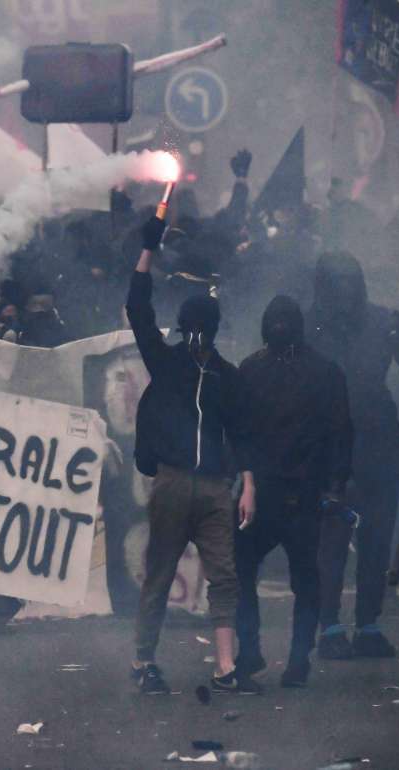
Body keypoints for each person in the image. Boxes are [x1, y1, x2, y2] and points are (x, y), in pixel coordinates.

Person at [125, 215, 255, 695]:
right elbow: (137, 308)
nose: (196, 339)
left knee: (224, 577)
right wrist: (148, 249)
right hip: (176, 482)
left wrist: (248, 485)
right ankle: (143, 661)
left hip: (217, 488)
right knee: (160, 573)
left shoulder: (226, 375)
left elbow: (242, 432)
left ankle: (225, 668)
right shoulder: (168, 363)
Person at [236, 295, 353, 689]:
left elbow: (239, 432)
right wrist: (335, 486)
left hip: (264, 492)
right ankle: (298, 659)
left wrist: (242, 480)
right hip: (302, 493)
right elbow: (342, 434)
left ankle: (251, 651)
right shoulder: (325, 371)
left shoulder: (252, 369)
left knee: (245, 570)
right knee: (305, 577)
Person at [309, 252, 399, 660]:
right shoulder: (309, 326)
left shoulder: (381, 321)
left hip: (375, 440)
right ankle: (333, 626)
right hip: (332, 445)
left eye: (352, 281)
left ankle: (366, 625)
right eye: (340, 281)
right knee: (333, 539)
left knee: (373, 537)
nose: (347, 290)